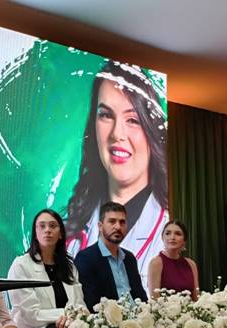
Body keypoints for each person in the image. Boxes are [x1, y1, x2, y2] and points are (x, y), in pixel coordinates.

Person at [65, 61, 169, 290]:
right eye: (106, 115)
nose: (117, 134)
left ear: (151, 130)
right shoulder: (71, 233)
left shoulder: (166, 226)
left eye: (132, 120)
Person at [7, 209, 85, 328]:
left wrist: (72, 318)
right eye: (42, 226)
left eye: (52, 226)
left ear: (60, 234)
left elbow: (80, 305)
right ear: (35, 233)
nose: (47, 230)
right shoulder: (21, 265)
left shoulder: (69, 267)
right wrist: (67, 315)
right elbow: (31, 315)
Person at [74, 202, 148, 311]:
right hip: (110, 319)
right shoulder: (86, 258)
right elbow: (92, 303)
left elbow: (140, 295)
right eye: (112, 221)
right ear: (100, 226)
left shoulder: (129, 258)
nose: (118, 227)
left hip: (138, 317)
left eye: (122, 222)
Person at [146, 220, 199, 299]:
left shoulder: (191, 264)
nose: (172, 237)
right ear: (162, 238)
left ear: (184, 240)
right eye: (168, 233)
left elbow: (196, 298)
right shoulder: (156, 263)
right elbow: (154, 299)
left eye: (178, 234)